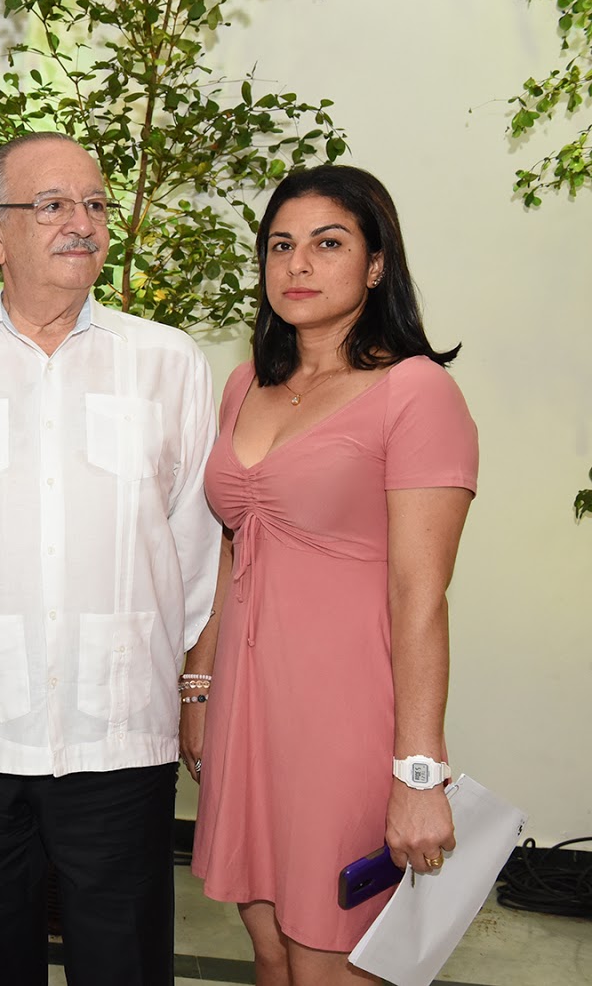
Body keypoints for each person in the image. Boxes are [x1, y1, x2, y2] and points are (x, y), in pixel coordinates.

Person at [0, 133, 222, 985]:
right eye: (53, 205)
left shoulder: (168, 364)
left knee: (125, 965)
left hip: (120, 734)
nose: (84, 223)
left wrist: (189, 689)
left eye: (96, 204)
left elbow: (193, 551)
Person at [184, 165, 477, 985]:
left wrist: (418, 773)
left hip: (346, 718)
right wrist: (198, 686)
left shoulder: (415, 393)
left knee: (328, 961)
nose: (299, 265)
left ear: (377, 264)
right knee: (270, 950)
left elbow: (421, 597)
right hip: (247, 709)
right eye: (280, 246)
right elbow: (231, 548)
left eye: (328, 243)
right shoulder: (246, 384)